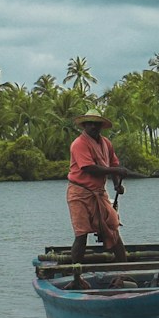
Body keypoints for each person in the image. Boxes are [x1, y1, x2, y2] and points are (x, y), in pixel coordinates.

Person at [67, 111, 128, 259]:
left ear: (101, 126)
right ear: (85, 125)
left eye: (97, 123)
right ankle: (76, 272)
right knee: (82, 233)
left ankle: (125, 269)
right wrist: (116, 170)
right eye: (90, 123)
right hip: (80, 194)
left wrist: (116, 184)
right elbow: (89, 168)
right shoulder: (79, 144)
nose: (94, 126)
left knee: (113, 227)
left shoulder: (106, 143)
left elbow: (113, 164)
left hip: (99, 193)